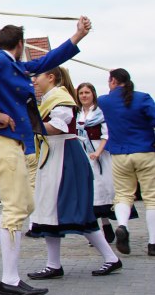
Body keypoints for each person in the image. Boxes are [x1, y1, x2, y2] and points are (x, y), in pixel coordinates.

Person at [0, 17, 91, 295]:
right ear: (20, 44)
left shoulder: (16, 67)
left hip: (11, 141)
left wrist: (76, 37)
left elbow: (48, 60)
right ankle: (9, 279)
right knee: (17, 208)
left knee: (24, 203)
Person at [26, 67, 121, 279]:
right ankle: (54, 264)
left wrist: (30, 119)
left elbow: (57, 127)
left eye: (37, 77)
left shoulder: (60, 97)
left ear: (50, 77)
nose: (34, 81)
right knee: (49, 210)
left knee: (73, 210)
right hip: (55, 155)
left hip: (64, 155)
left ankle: (110, 258)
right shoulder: (52, 97)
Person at [98, 68, 155, 257]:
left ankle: (122, 225)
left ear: (113, 81)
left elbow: (108, 101)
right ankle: (153, 243)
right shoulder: (143, 98)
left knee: (123, 195)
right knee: (151, 198)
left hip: (119, 154)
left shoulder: (105, 101)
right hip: (145, 151)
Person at [76, 82, 118, 242]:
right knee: (91, 191)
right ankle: (100, 229)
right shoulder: (78, 114)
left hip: (99, 152)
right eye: (81, 93)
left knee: (104, 189)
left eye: (87, 92)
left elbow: (106, 135)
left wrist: (98, 152)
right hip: (83, 152)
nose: (84, 96)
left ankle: (109, 225)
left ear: (93, 94)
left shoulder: (100, 112)